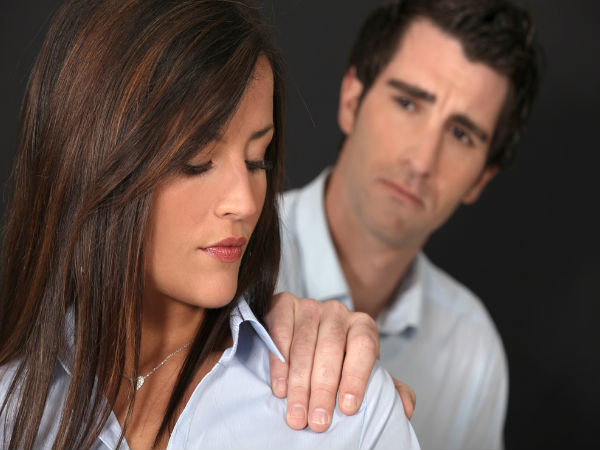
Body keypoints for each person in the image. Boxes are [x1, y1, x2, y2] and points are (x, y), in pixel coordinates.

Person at [0, 0, 420, 449]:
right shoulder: (12, 399)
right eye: (198, 160)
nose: (245, 202)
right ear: (91, 161)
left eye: (257, 160)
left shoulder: (343, 409)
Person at [277, 0, 541, 448]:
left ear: (481, 179)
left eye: (460, 134)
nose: (421, 161)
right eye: (407, 103)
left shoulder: (472, 352)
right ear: (351, 100)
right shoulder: (232, 258)